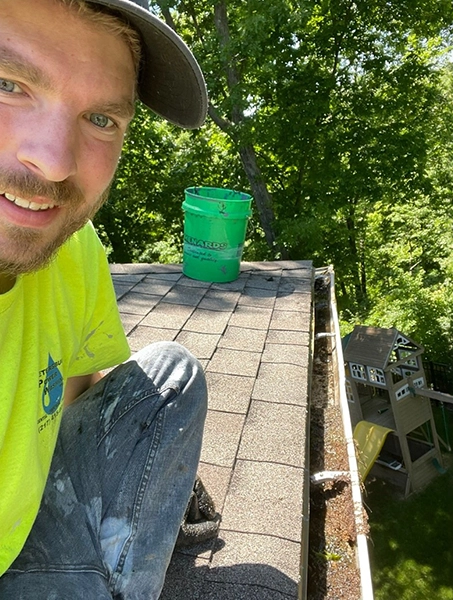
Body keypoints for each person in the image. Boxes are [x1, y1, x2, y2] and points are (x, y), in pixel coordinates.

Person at [0, 0, 209, 597]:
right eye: (8, 83)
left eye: (100, 119)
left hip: (19, 534)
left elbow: (70, 387)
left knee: (171, 375)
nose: (54, 162)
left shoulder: (67, 242)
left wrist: (156, 475)